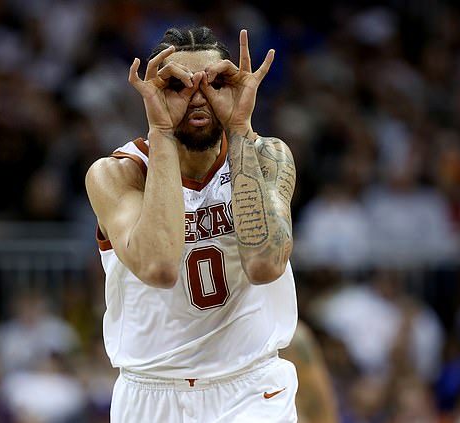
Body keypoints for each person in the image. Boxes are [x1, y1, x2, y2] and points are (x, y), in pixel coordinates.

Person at [85, 26, 300, 422]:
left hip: (251, 385)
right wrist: (161, 132)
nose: (199, 96)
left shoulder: (269, 156)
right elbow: (159, 266)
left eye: (216, 81)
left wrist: (239, 129)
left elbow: (265, 265)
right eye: (177, 85)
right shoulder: (117, 174)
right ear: (153, 91)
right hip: (150, 392)